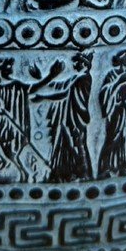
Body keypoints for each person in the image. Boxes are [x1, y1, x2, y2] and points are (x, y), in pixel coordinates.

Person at [0, 57, 58, 182]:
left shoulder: (15, 86)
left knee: (11, 154)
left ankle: (24, 176)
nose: (10, 69)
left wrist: (51, 75)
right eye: (7, 66)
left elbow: (33, 88)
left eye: (10, 66)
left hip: (4, 124)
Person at [34, 52, 93, 182]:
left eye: (77, 62)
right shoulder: (76, 78)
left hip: (75, 118)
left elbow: (63, 93)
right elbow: (60, 87)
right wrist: (45, 80)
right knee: (66, 143)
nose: (75, 64)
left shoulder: (82, 78)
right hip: (68, 118)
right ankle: (64, 173)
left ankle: (83, 174)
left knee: (76, 144)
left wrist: (42, 96)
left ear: (84, 64)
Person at [97, 49, 126, 176]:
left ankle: (123, 165)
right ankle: (106, 167)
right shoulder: (111, 75)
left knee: (125, 138)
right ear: (122, 58)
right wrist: (118, 82)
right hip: (115, 113)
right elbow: (104, 94)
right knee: (113, 138)